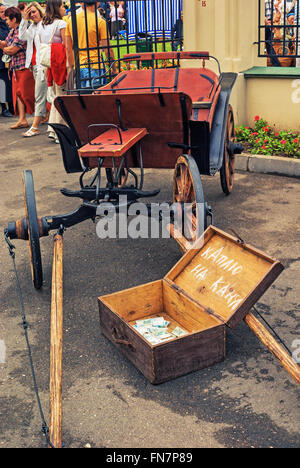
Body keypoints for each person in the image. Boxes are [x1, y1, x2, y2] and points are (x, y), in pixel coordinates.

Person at [65, 1, 115, 89]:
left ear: (83, 4)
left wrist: (71, 66)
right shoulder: (100, 22)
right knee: (96, 98)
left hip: (79, 65)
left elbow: (68, 47)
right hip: (95, 64)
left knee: (83, 99)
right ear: (98, 3)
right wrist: (113, 68)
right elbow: (107, 49)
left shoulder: (71, 21)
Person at [0, 6, 35, 129]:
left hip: (25, 66)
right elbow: (6, 43)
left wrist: (5, 49)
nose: (6, 22)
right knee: (18, 94)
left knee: (28, 94)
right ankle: (22, 119)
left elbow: (13, 49)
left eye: (8, 19)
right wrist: (4, 47)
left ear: (14, 19)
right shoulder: (13, 30)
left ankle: (45, 113)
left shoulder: (22, 29)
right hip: (16, 67)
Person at [38, 0, 67, 142]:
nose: (64, 8)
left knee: (55, 95)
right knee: (61, 96)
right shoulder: (61, 24)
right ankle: (57, 130)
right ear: (57, 7)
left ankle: (54, 130)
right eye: (62, 6)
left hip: (46, 63)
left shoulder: (42, 24)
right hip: (58, 63)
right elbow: (67, 45)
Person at [19, 2, 49, 137]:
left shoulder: (46, 25)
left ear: (40, 11)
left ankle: (35, 126)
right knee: (44, 95)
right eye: (30, 13)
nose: (32, 15)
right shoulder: (32, 26)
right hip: (36, 65)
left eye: (34, 12)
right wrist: (24, 20)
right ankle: (45, 120)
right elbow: (22, 37)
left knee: (40, 96)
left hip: (44, 65)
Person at [0, 2, 13, 117]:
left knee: (9, 84)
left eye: (5, 11)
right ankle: (4, 108)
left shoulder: (8, 24)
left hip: (9, 59)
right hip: (1, 59)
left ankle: (12, 107)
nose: (4, 14)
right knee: (2, 84)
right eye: (1, 12)